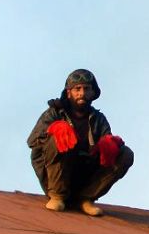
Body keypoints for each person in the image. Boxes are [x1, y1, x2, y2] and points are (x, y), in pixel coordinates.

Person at [27, 69, 134, 216]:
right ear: (69, 92)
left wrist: (110, 144)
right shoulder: (54, 113)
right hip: (57, 175)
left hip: (85, 174)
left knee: (125, 154)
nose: (82, 93)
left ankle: (86, 199)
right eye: (77, 89)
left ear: (93, 92)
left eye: (86, 89)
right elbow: (33, 141)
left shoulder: (98, 119)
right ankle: (57, 196)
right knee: (57, 137)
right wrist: (54, 129)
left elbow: (108, 144)